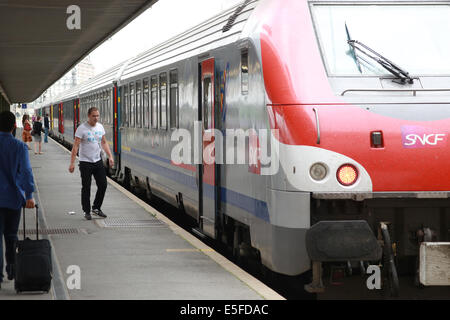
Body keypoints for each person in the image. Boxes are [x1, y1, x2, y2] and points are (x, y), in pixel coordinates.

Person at [0, 111, 35, 288]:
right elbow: (27, 172)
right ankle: (12, 270)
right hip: (14, 199)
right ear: (14, 126)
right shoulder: (19, 147)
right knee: (11, 235)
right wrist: (29, 195)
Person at [69, 107, 114, 220]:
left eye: (97, 116)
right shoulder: (81, 129)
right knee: (86, 187)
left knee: (103, 185)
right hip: (85, 162)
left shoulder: (100, 127)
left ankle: (96, 208)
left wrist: (110, 156)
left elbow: (104, 142)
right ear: (89, 116)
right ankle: (86, 211)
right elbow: (76, 146)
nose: (96, 118)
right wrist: (72, 163)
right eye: (94, 116)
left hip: (97, 160)